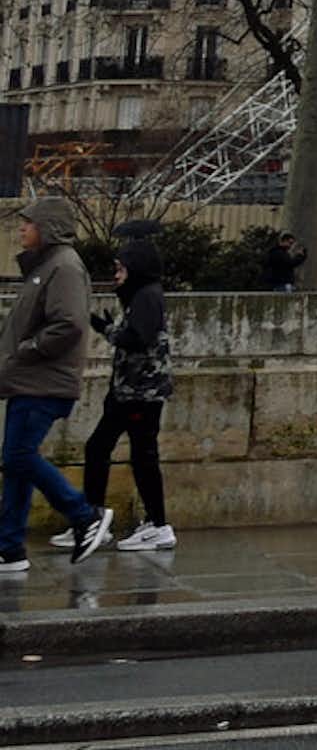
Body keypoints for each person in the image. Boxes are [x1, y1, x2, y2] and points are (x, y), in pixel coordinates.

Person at [1, 198, 111, 573]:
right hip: (28, 380)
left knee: (17, 457)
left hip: (43, 381)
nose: (22, 229)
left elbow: (69, 324)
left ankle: (84, 516)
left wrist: (26, 350)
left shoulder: (63, 266)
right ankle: (10, 548)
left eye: (28, 223)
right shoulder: (47, 265)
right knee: (16, 464)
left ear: (47, 227)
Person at [66, 238, 173, 554]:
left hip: (139, 393)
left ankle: (111, 520)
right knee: (125, 452)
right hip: (133, 391)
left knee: (122, 452)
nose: (117, 275)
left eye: (120, 269)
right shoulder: (142, 296)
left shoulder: (147, 296)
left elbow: (137, 339)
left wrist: (105, 329)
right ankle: (106, 519)